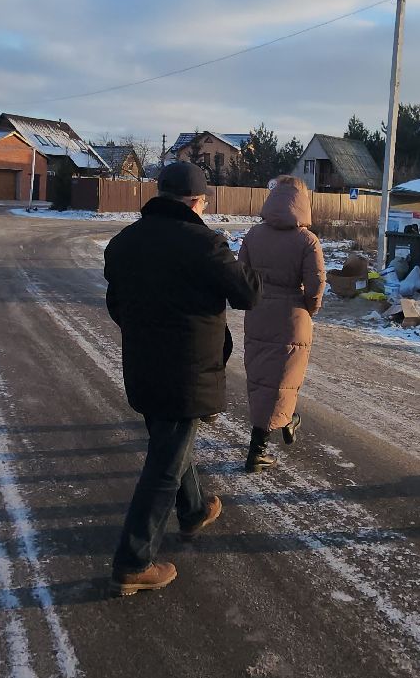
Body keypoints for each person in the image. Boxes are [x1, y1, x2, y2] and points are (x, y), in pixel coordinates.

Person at [103, 161, 260, 595]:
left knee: (171, 444)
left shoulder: (123, 243)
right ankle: (133, 561)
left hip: (143, 363)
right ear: (196, 201)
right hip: (187, 371)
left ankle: (193, 511)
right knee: (164, 465)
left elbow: (117, 306)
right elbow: (247, 294)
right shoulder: (205, 243)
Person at [236, 175, 324, 472]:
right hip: (291, 314)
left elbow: (242, 273)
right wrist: (310, 309)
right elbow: (315, 285)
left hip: (258, 310)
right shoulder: (307, 241)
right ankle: (258, 450)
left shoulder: (253, 235)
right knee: (282, 379)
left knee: (263, 377)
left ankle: (287, 419)